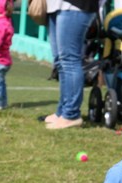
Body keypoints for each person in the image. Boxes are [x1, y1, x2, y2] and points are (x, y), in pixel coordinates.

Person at [42, 0, 97, 129]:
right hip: (55, 6)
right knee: (60, 61)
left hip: (75, 6)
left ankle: (71, 115)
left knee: (69, 60)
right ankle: (62, 112)